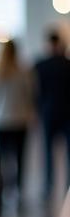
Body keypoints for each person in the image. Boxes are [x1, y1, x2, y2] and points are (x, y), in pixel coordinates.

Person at [0, 39, 35, 203]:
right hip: (19, 119)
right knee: (20, 157)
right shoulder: (24, 70)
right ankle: (17, 191)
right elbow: (30, 94)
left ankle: (0, 190)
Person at [33, 29, 70, 196]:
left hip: (48, 112)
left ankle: (48, 186)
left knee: (47, 152)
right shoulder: (67, 64)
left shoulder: (40, 65)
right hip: (67, 113)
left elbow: (36, 92)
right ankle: (67, 186)